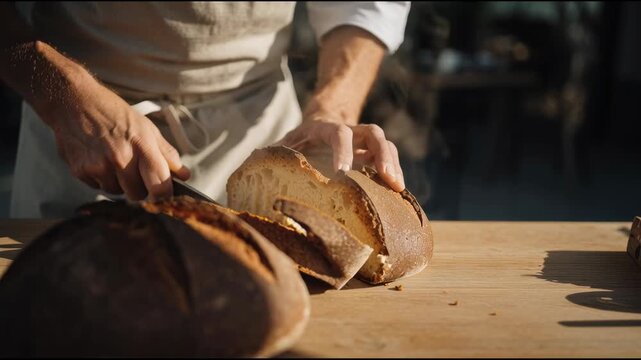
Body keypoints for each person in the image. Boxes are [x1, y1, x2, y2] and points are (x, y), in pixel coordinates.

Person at [0, 1, 411, 218]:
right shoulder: (69, 105)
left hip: (263, 136)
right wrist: (63, 94)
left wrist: (333, 111)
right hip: (79, 128)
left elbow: (363, 6)